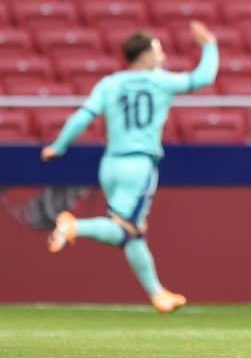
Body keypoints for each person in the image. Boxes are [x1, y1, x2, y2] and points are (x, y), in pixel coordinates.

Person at [41, 21, 219, 313]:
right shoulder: (159, 80)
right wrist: (209, 45)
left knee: (134, 231)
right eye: (158, 50)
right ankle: (74, 226)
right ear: (146, 56)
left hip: (110, 165)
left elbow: (82, 117)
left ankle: (157, 294)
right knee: (123, 230)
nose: (162, 56)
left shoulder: (110, 83)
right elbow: (204, 77)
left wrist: (57, 147)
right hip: (139, 165)